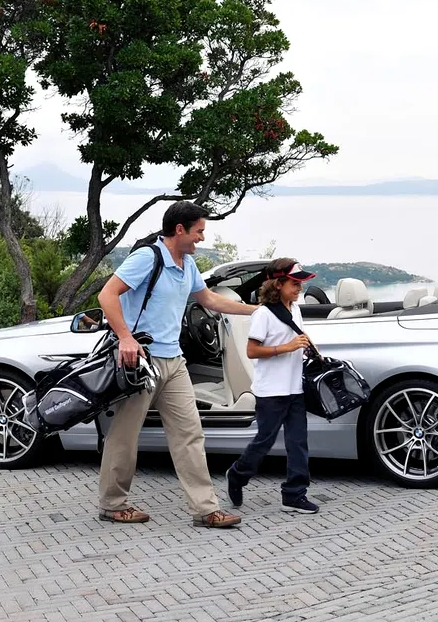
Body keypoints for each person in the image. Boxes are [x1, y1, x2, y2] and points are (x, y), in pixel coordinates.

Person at [96, 201, 259, 528]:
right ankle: (113, 505)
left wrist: (257, 311)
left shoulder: (187, 264)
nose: (202, 237)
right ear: (180, 229)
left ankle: (205, 510)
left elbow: (209, 299)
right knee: (124, 436)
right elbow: (107, 295)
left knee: (190, 434)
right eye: (199, 231)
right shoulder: (147, 258)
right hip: (141, 362)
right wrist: (126, 338)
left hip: (174, 362)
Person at [225, 258, 320, 514]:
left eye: (300, 283)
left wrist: (306, 348)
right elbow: (252, 350)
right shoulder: (263, 314)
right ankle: (237, 474)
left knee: (298, 442)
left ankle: (294, 494)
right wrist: (286, 348)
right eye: (294, 283)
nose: (299, 288)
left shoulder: (295, 309)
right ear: (278, 284)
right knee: (264, 442)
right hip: (271, 392)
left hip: (294, 388)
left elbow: (296, 338)